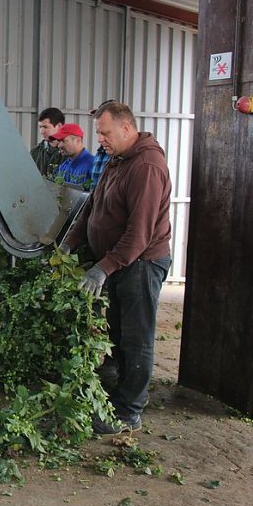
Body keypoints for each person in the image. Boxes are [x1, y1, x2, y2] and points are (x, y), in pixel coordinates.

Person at [60, 101, 172, 435]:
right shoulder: (116, 160)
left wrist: (102, 268)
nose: (102, 140)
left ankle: (128, 412)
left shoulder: (147, 167)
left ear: (126, 128)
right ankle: (120, 390)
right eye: (99, 134)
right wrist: (69, 242)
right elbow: (92, 206)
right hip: (120, 263)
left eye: (106, 133)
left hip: (141, 263)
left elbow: (139, 234)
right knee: (118, 333)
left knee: (137, 339)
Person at [51, 123, 94, 189]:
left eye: (63, 140)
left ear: (78, 141)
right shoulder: (63, 166)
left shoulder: (92, 165)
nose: (59, 145)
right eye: (59, 141)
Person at [30, 107, 64, 177]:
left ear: (59, 126)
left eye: (45, 127)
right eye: (40, 127)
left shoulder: (69, 154)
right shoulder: (35, 153)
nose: (41, 132)